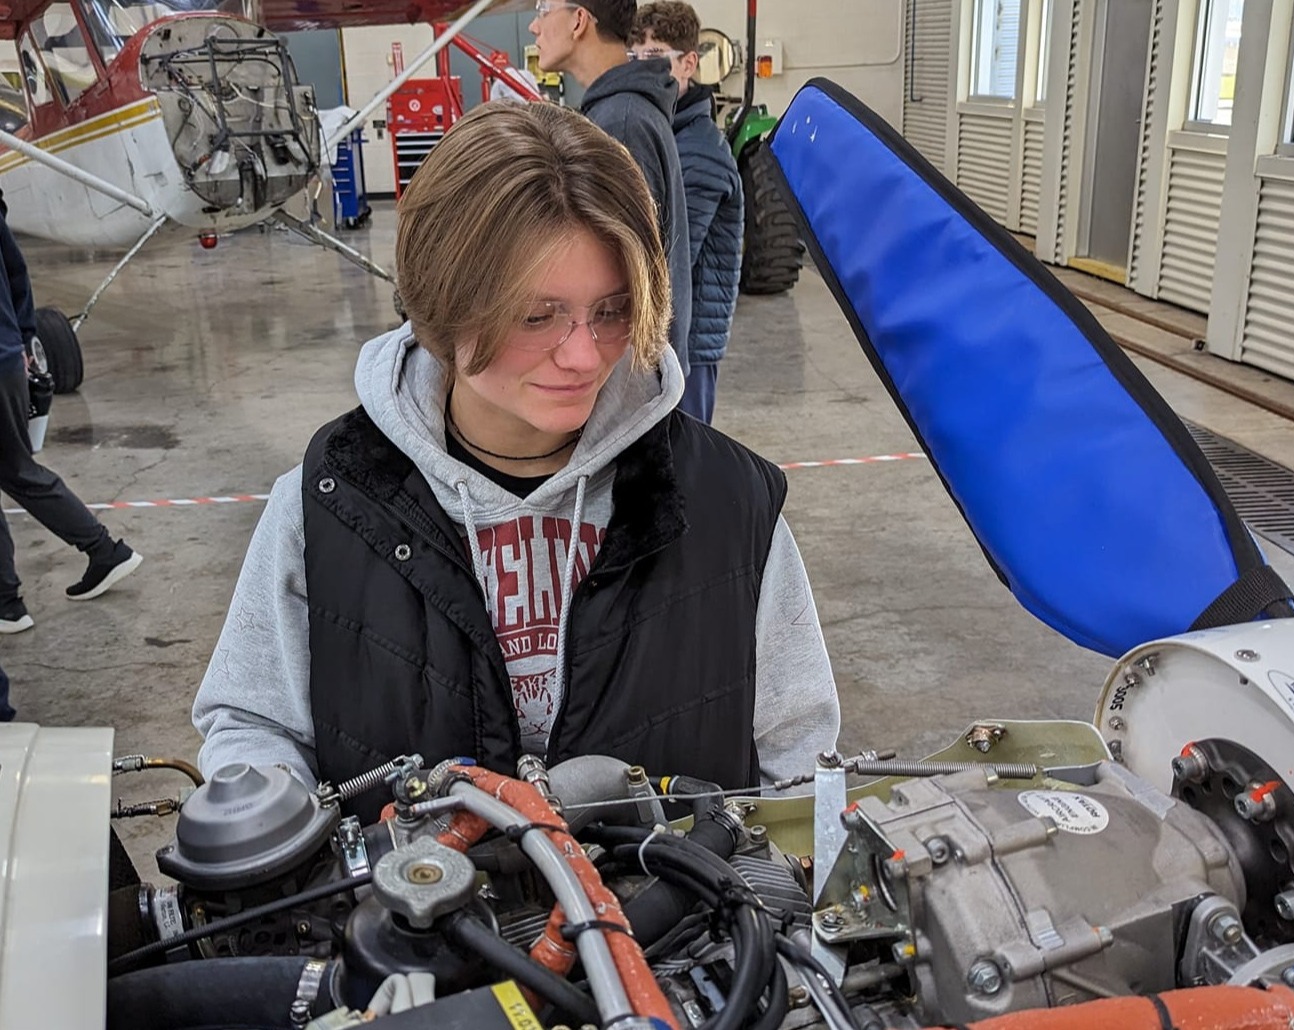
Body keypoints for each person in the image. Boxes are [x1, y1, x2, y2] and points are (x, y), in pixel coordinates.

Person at [192, 103, 839, 818]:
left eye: (614, 310)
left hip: (681, 926)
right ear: (440, 300)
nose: (584, 355)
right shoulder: (327, 501)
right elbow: (252, 728)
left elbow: (800, 768)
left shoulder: (730, 503)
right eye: (538, 316)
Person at [529, 0, 693, 384]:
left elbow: (624, 274)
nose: (534, 28)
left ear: (579, 20)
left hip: (627, 379)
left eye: (542, 10)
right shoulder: (623, 111)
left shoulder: (621, 123)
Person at [0, 203, 140, 635]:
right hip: (5, 357)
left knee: (16, 470)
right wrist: (21, 340)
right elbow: (18, 274)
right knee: (18, 469)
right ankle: (104, 551)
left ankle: (7, 603)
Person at [632, 2, 742, 425]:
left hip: (687, 349)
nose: (641, 70)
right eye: (634, 58)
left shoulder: (699, 151)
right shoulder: (665, 135)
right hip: (666, 342)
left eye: (655, 58)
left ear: (688, 63)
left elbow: (671, 260)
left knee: (682, 470)